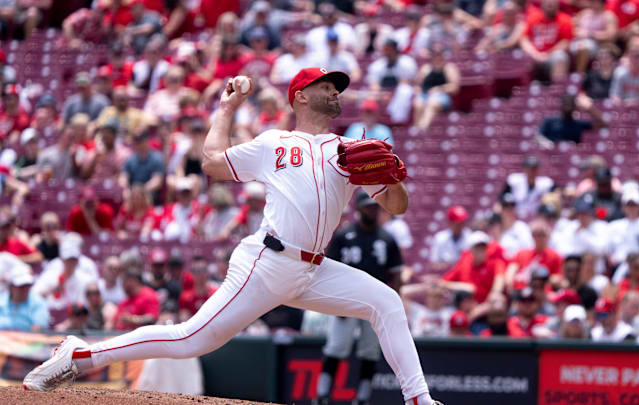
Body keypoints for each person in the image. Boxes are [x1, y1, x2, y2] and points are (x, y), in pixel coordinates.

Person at [24, 68, 443, 405]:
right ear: (300, 96)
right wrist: (227, 108)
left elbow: (396, 206)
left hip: (313, 270)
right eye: (327, 86)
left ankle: (419, 398)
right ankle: (79, 355)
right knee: (191, 339)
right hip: (267, 262)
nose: (336, 92)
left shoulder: (348, 151)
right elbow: (210, 164)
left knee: (386, 301)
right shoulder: (274, 143)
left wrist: (393, 180)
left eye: (338, 88)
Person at [313, 192, 404, 405]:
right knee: (336, 346)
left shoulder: (386, 238)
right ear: (359, 208)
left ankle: (362, 398)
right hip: (345, 299)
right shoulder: (345, 235)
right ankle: (322, 395)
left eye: (375, 207)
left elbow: (397, 274)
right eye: (368, 206)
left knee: (370, 350)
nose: (372, 210)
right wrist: (334, 303)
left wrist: (392, 302)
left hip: (375, 302)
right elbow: (327, 270)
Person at [32, 233, 99, 312]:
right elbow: (34, 295)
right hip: (52, 315)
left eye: (73, 259)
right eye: (68, 259)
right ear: (62, 259)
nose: (71, 263)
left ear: (77, 260)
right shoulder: (51, 273)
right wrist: (52, 289)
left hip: (77, 317)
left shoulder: (85, 279)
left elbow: (90, 303)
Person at [441, 231, 504, 303]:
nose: (481, 251)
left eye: (483, 248)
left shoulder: (494, 261)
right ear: (470, 250)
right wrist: (464, 287)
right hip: (466, 304)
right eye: (477, 248)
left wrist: (492, 297)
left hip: (487, 304)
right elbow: (444, 282)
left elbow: (499, 281)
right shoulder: (464, 263)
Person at [520, 0, 573, 83]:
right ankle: (521, 92)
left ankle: (557, 90)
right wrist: (535, 54)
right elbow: (524, 39)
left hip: (552, 56)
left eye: (552, 4)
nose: (550, 6)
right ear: (542, 5)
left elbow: (566, 42)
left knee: (560, 56)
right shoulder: (533, 18)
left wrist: (547, 54)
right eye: (548, 4)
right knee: (519, 55)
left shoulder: (565, 20)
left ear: (557, 6)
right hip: (534, 56)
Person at [412, 45, 460, 130]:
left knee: (431, 103)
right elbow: (418, 85)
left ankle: (422, 128)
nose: (437, 56)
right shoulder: (426, 69)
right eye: (435, 54)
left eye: (439, 54)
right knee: (418, 103)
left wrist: (438, 89)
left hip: (442, 96)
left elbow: (455, 87)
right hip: (425, 94)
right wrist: (418, 90)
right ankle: (416, 130)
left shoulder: (449, 68)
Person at [537, 93, 606, 147]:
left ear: (575, 107)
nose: (568, 107)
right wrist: (550, 145)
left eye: (570, 104)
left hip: (573, 158)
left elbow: (604, 124)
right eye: (566, 104)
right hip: (551, 157)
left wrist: (589, 108)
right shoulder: (549, 121)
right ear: (562, 105)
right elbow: (538, 137)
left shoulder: (578, 124)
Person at [429, 205, 471, 271]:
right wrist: (454, 264)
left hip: (464, 275)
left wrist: (448, 264)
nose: (460, 226)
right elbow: (434, 265)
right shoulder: (440, 237)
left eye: (462, 223)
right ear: (450, 222)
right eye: (457, 223)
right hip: (445, 276)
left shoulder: (470, 237)